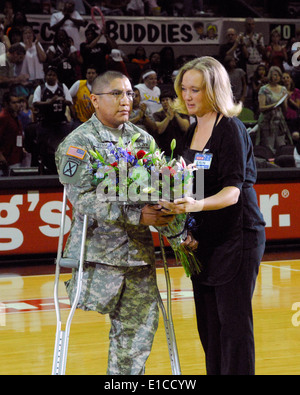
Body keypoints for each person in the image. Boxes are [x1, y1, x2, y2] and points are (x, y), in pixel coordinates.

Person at [55, 70, 175, 375]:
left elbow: (164, 189)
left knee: (138, 334)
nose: (126, 100)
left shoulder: (143, 138)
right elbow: (81, 198)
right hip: (100, 257)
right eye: (117, 94)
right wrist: (137, 215)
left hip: (138, 256)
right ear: (95, 100)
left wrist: (177, 230)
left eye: (129, 94)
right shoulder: (78, 142)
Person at [158, 56, 266, 375]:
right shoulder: (193, 128)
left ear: (214, 91)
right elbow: (193, 185)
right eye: (184, 89)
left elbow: (232, 193)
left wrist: (193, 207)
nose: (188, 96)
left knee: (233, 326)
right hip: (206, 241)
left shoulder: (230, 128)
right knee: (209, 327)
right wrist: (182, 224)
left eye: (196, 90)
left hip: (238, 237)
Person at [33, 65, 73, 173]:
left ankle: (66, 170)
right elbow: (35, 103)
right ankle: (41, 169)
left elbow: (70, 101)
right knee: (42, 148)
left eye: (53, 75)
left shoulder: (62, 86)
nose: (51, 77)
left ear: (57, 77)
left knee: (66, 145)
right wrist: (49, 102)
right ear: (45, 76)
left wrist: (62, 100)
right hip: (46, 122)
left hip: (60, 121)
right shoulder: (41, 88)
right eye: (49, 75)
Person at [256, 66, 293, 157]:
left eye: (278, 75)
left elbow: (284, 109)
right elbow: (261, 108)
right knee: (269, 148)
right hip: (267, 122)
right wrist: (276, 104)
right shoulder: (264, 89)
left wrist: (284, 100)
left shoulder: (283, 89)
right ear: (270, 76)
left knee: (281, 147)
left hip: (279, 122)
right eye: (274, 75)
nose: (276, 77)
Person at [153, 90, 190, 158]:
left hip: (180, 151)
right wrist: (168, 117)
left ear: (173, 101)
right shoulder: (157, 115)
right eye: (163, 101)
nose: (165, 102)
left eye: (167, 100)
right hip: (163, 151)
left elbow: (186, 128)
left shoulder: (182, 113)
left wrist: (175, 114)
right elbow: (159, 130)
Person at [0, 91, 24, 176]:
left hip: (16, 157)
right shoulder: (3, 117)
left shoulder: (15, 117)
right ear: (6, 104)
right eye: (13, 103)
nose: (17, 105)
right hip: (6, 160)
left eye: (18, 102)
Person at [0, 42, 28, 107]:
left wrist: (19, 82)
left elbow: (9, 80)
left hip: (5, 97)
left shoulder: (11, 63)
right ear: (15, 54)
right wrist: (18, 79)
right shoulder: (2, 60)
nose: (19, 61)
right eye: (20, 57)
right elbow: (1, 79)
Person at [241, 17, 266, 84]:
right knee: (249, 83)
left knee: (259, 82)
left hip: (258, 63)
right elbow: (243, 53)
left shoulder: (258, 36)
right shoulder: (242, 36)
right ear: (245, 25)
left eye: (252, 24)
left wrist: (258, 42)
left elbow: (263, 52)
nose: (251, 26)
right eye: (249, 24)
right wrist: (248, 42)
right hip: (248, 64)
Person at [282, 71, 300, 136]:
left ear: (291, 79)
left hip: (293, 118)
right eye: (284, 78)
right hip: (283, 118)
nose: (286, 79)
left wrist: (289, 99)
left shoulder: (296, 91)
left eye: (287, 77)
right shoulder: (280, 91)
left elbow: (298, 106)